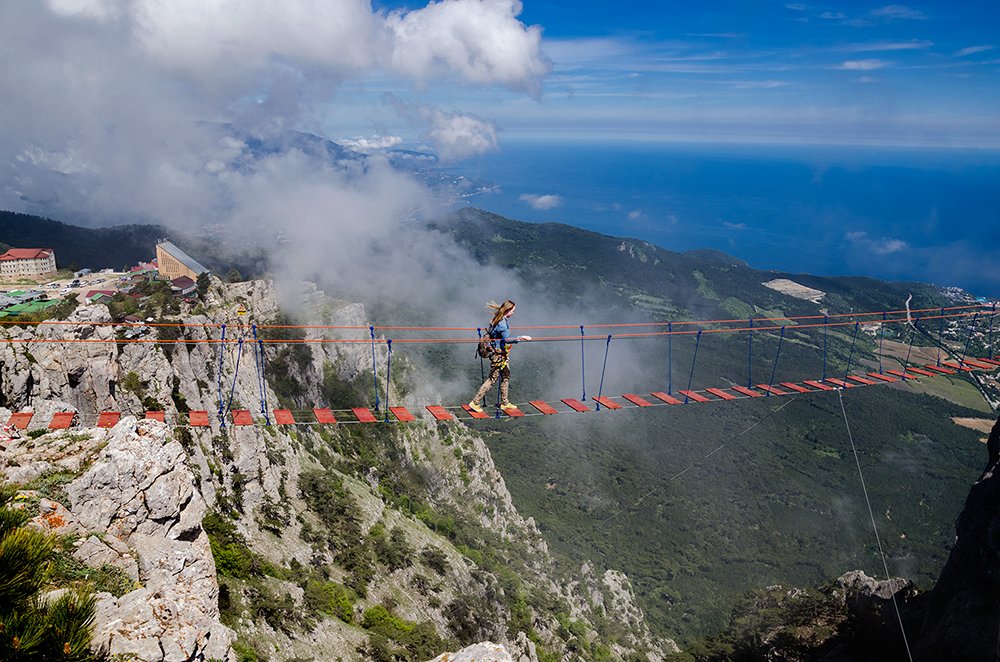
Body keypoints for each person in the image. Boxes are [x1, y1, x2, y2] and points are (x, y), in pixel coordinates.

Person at [468, 300, 531, 412]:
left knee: (506, 376)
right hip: (498, 355)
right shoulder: (502, 324)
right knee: (492, 379)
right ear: (507, 310)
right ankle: (475, 402)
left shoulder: (497, 319)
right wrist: (522, 337)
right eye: (513, 310)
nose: (514, 313)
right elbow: (507, 339)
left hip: (498, 353)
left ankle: (505, 402)